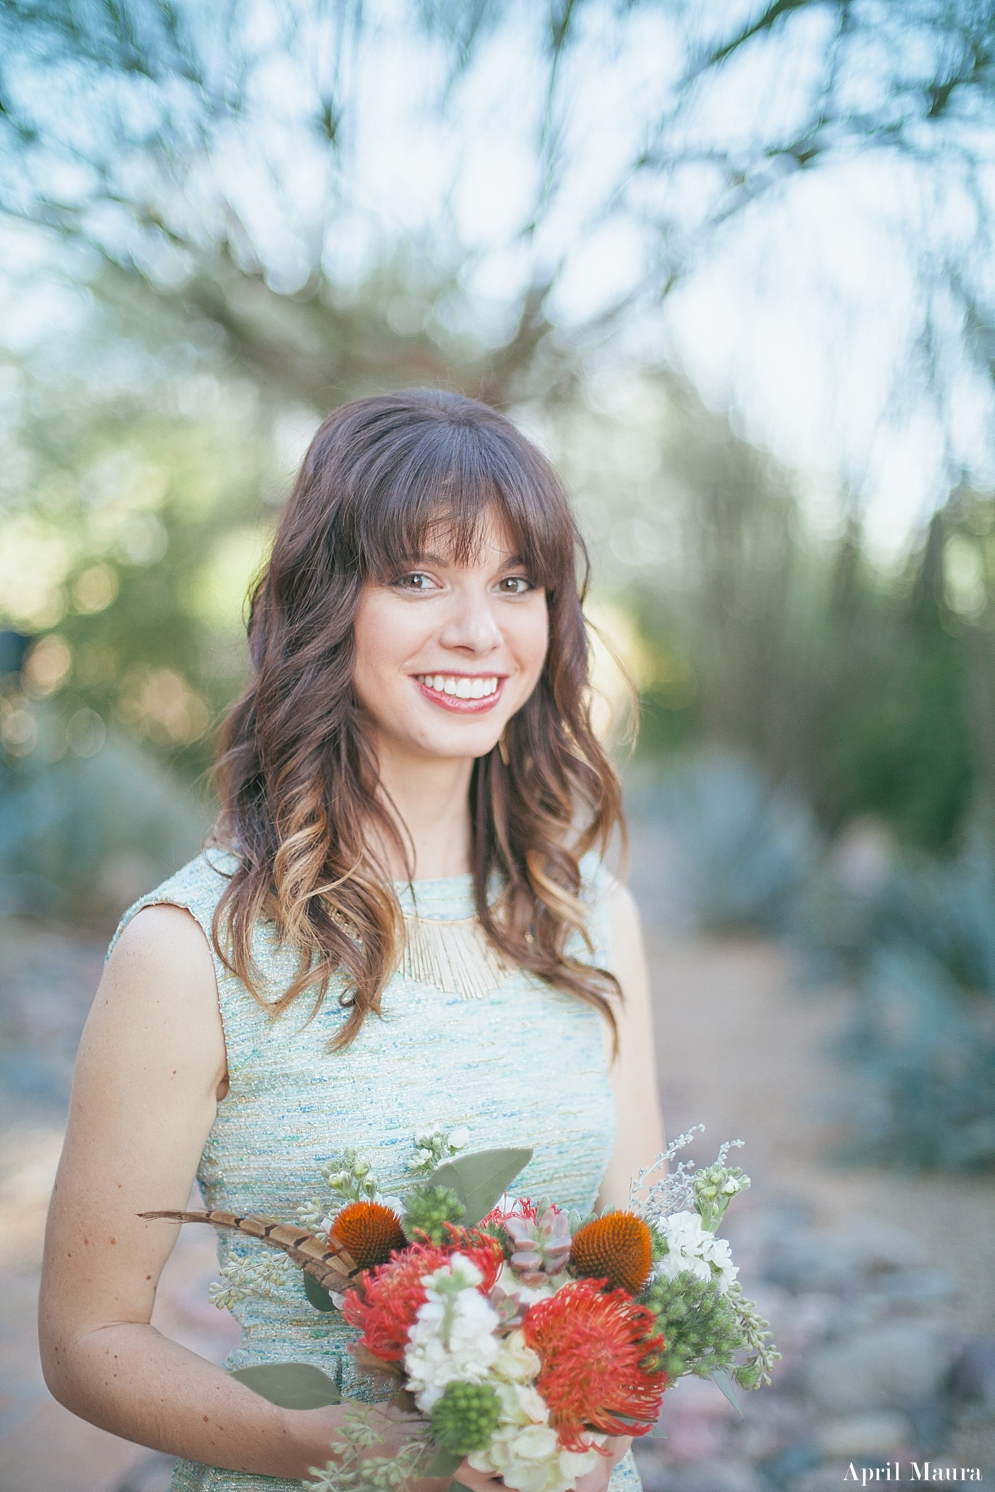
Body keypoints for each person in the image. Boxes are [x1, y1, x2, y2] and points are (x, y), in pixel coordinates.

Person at [39, 389, 664, 1492]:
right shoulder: (195, 951)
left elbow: (634, 1255)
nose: (477, 629)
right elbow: (86, 1342)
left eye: (514, 581)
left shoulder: (590, 916)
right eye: (418, 576)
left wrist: (593, 1409)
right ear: (330, 602)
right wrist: (327, 1444)